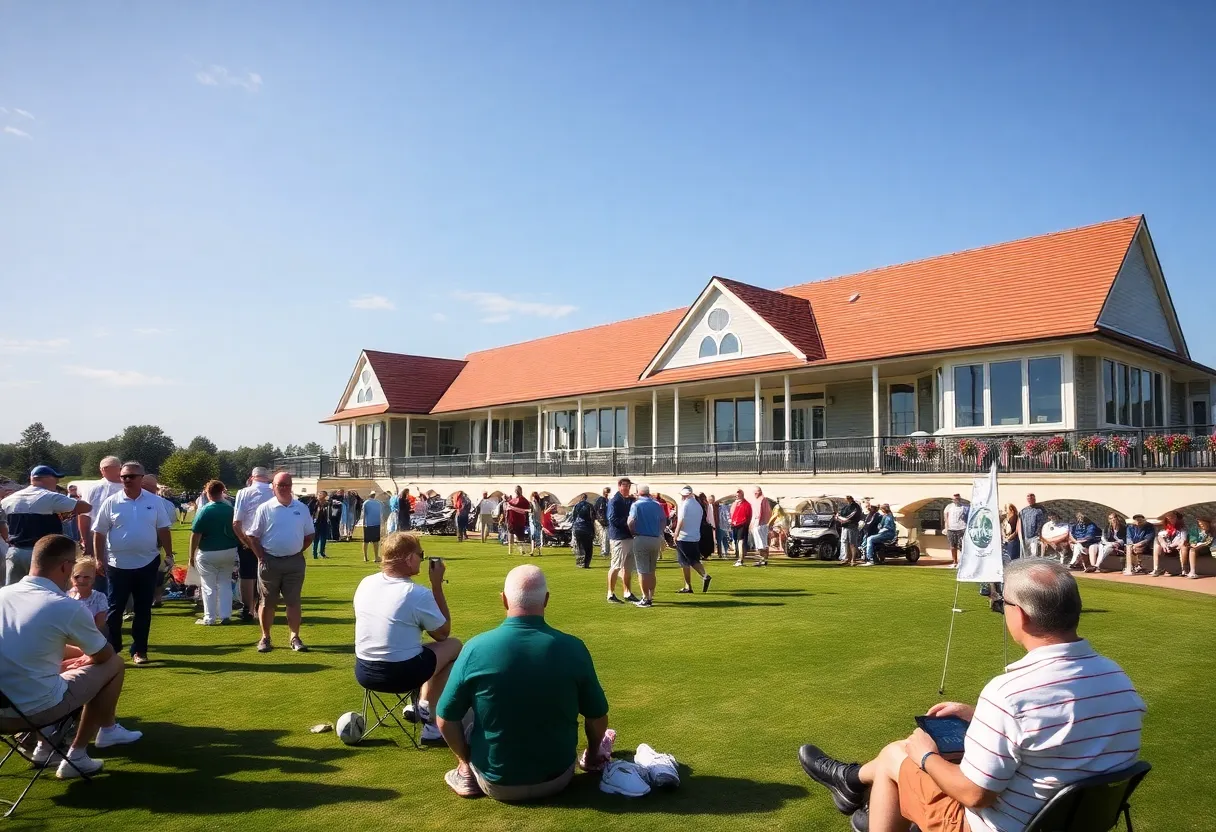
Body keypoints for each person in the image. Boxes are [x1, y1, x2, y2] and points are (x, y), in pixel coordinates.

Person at [798, 559, 1145, 832]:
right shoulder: (1118, 678)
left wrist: (924, 757)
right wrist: (980, 715)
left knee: (897, 755)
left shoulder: (1010, 693)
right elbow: (1062, 729)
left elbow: (975, 795)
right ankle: (851, 785)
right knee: (911, 755)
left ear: (1020, 615)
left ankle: (857, 792)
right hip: (1074, 823)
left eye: (1001, 602)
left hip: (1001, 825)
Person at [436, 565, 610, 801]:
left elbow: (445, 719)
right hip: (559, 778)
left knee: (461, 708)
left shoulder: (476, 648)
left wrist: (464, 757)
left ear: (504, 600)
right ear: (546, 600)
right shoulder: (574, 648)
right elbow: (597, 715)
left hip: (494, 782)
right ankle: (589, 757)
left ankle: (465, 769)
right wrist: (591, 754)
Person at [0, 535, 143, 779]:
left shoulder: (3, 594)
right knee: (115, 663)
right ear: (66, 566)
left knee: (61, 668)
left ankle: (54, 746)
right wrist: (87, 657)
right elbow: (104, 655)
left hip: (4, 709)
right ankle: (77, 755)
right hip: (34, 710)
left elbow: (32, 645)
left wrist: (80, 657)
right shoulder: (65, 605)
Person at [354, 532, 461, 743]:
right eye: (420, 554)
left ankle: (420, 704)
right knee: (454, 646)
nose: (422, 559)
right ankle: (428, 719)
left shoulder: (365, 583)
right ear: (409, 558)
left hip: (364, 671)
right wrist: (437, 585)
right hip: (399, 674)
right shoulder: (416, 593)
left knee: (421, 650)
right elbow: (442, 633)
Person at [91, 462, 173, 665]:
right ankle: (114, 649)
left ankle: (139, 651)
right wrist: (98, 559)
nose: (127, 480)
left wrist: (169, 554)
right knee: (115, 610)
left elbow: (163, 529)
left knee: (143, 610)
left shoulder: (154, 502)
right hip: (117, 564)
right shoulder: (112, 502)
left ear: (141, 478)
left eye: (132, 476)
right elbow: (99, 532)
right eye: (124, 476)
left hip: (147, 562)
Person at [247, 472, 314, 653]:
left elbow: (309, 535)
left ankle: (295, 637)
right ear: (273, 487)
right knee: (268, 602)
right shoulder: (265, 508)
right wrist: (261, 556)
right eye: (280, 485)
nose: (284, 488)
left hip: (294, 563)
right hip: (270, 562)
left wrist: (297, 551)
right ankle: (265, 637)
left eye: (287, 484)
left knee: (293, 601)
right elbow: (253, 536)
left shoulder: (301, 508)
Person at [1, 465, 90, 586]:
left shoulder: (9, 499)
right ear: (47, 478)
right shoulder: (50, 496)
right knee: (48, 589)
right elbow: (85, 507)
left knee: (13, 591)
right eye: (55, 478)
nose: (57, 481)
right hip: (43, 554)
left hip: (16, 552)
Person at [189, 479, 239, 626]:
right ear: (222, 491)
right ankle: (225, 615)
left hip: (208, 552)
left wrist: (191, 556)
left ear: (208, 493)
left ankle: (209, 618)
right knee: (224, 583)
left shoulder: (205, 509)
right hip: (229, 550)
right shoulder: (230, 509)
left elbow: (196, 534)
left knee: (208, 586)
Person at [232, 468, 276, 625]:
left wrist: (245, 542)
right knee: (266, 575)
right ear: (267, 478)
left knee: (247, 575)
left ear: (252, 478)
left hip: (249, 538)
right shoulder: (274, 491)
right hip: (269, 540)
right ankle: (262, 606)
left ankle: (247, 608)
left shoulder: (244, 492)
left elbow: (237, 522)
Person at [78, 456, 124, 592]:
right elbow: (84, 515)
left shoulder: (125, 486)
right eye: (105, 469)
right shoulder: (93, 488)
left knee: (120, 570)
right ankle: (102, 603)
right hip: (97, 535)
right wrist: (84, 539)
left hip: (121, 534)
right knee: (99, 569)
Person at [626, 485, 665, 607]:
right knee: (651, 570)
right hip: (655, 538)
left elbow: (630, 521)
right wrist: (659, 531)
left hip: (641, 537)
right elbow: (663, 520)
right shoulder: (657, 504)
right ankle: (651, 595)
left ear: (639, 493)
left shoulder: (636, 505)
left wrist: (632, 532)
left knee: (642, 570)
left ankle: (645, 598)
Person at [674, 487, 712, 594]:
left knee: (692, 560)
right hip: (694, 536)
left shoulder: (685, 505)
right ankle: (687, 586)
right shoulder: (698, 506)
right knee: (684, 562)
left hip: (684, 537)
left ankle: (705, 575)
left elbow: (681, 520)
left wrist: (676, 533)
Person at [605, 478, 638, 603]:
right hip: (619, 537)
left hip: (628, 537)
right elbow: (612, 519)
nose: (628, 488)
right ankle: (610, 593)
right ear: (619, 486)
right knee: (616, 565)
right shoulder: (615, 501)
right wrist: (628, 523)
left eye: (629, 486)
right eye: (626, 486)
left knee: (627, 567)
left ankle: (627, 592)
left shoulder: (627, 500)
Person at [69, 557, 109, 631]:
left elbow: (99, 626)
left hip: (92, 638)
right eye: (77, 577)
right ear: (71, 578)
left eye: (86, 577)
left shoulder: (99, 598)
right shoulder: (65, 596)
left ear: (93, 579)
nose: (81, 580)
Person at [1151, 510, 1190, 578]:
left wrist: (1171, 546)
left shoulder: (1182, 527)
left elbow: (1183, 539)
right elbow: (1160, 536)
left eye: (1173, 517)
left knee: (1183, 545)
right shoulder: (1165, 527)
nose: (1171, 519)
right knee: (1156, 541)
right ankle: (1156, 568)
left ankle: (1184, 569)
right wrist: (1164, 544)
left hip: (1177, 546)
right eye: (1169, 517)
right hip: (1167, 546)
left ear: (1177, 518)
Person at [503, 486, 533, 556]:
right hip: (512, 520)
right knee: (511, 535)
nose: (516, 491)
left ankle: (521, 550)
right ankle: (510, 550)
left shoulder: (523, 500)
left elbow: (522, 506)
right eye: (516, 490)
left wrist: (507, 501)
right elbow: (509, 505)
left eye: (518, 490)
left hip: (520, 521)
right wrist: (506, 500)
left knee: (520, 537)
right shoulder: (513, 500)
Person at [568, 494, 596, 568]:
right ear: (586, 498)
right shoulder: (590, 506)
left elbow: (573, 518)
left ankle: (580, 563)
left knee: (579, 546)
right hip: (587, 528)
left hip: (577, 528)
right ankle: (586, 563)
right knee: (588, 547)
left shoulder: (576, 506)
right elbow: (592, 518)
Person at [942, 493, 969, 568]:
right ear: (953, 500)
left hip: (962, 528)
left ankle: (963, 561)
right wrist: (946, 527)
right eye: (955, 499)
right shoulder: (949, 507)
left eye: (958, 499)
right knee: (952, 545)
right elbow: (946, 518)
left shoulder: (964, 507)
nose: (957, 500)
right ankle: (955, 561)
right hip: (951, 528)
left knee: (962, 545)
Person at [836, 495, 863, 567]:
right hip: (845, 527)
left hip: (852, 526)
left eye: (848, 498)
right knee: (845, 543)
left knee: (852, 543)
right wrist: (838, 517)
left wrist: (843, 520)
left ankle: (853, 560)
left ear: (851, 498)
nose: (847, 499)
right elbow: (840, 513)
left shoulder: (855, 506)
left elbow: (851, 516)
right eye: (846, 498)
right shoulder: (846, 506)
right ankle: (847, 559)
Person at [1018, 493, 1047, 560]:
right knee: (1026, 555)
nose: (1030, 498)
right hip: (1025, 536)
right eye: (1028, 496)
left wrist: (1040, 535)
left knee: (1034, 555)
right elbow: (1019, 522)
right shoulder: (1023, 510)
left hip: (1035, 536)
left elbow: (1042, 522)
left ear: (1034, 498)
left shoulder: (1040, 509)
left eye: (1031, 496)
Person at [749, 487, 772, 567]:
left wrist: (754, 524)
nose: (755, 494)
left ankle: (762, 560)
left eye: (756, 492)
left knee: (760, 544)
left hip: (759, 524)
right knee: (763, 543)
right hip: (763, 524)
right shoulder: (764, 500)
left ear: (759, 492)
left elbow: (759, 513)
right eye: (754, 492)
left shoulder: (760, 500)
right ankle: (764, 560)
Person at [729, 490, 753, 566]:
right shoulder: (735, 504)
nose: (737, 497)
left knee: (740, 541)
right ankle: (739, 558)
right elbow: (733, 514)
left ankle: (740, 559)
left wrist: (747, 525)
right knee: (737, 541)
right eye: (736, 496)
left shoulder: (746, 504)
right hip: (735, 525)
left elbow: (748, 516)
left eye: (738, 495)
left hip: (742, 524)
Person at [362, 490, 384, 563]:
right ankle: (376, 556)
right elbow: (380, 514)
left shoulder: (366, 503)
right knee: (375, 541)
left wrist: (363, 523)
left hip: (368, 524)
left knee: (366, 541)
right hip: (376, 523)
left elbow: (363, 514)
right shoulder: (378, 503)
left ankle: (365, 557)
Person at [593, 487, 611, 558]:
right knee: (604, 536)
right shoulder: (601, 500)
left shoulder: (607, 500)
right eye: (607, 492)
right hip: (601, 521)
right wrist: (603, 521)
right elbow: (600, 512)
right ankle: (604, 550)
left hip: (605, 520)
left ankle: (606, 550)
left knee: (606, 536)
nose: (607, 494)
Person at [312, 490, 330, 559]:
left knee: (323, 539)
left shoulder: (327, 503)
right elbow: (311, 510)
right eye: (320, 494)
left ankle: (322, 553)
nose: (322, 496)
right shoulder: (314, 502)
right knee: (315, 539)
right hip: (316, 522)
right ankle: (314, 554)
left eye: (324, 495)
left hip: (324, 522)